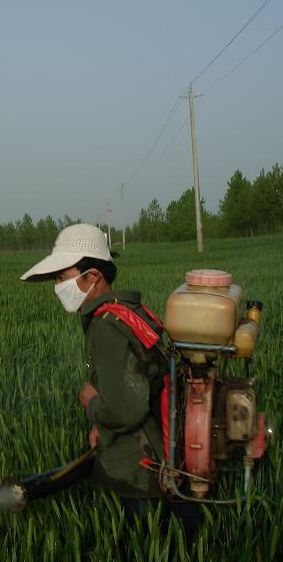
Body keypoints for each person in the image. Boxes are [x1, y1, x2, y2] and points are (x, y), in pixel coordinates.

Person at [20, 223, 199, 540]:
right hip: (167, 458)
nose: (58, 286)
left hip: (140, 474)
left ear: (92, 276)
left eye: (62, 277)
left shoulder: (106, 327)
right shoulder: (129, 311)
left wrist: (92, 404)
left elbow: (124, 409)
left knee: (146, 544)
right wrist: (102, 426)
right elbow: (140, 384)